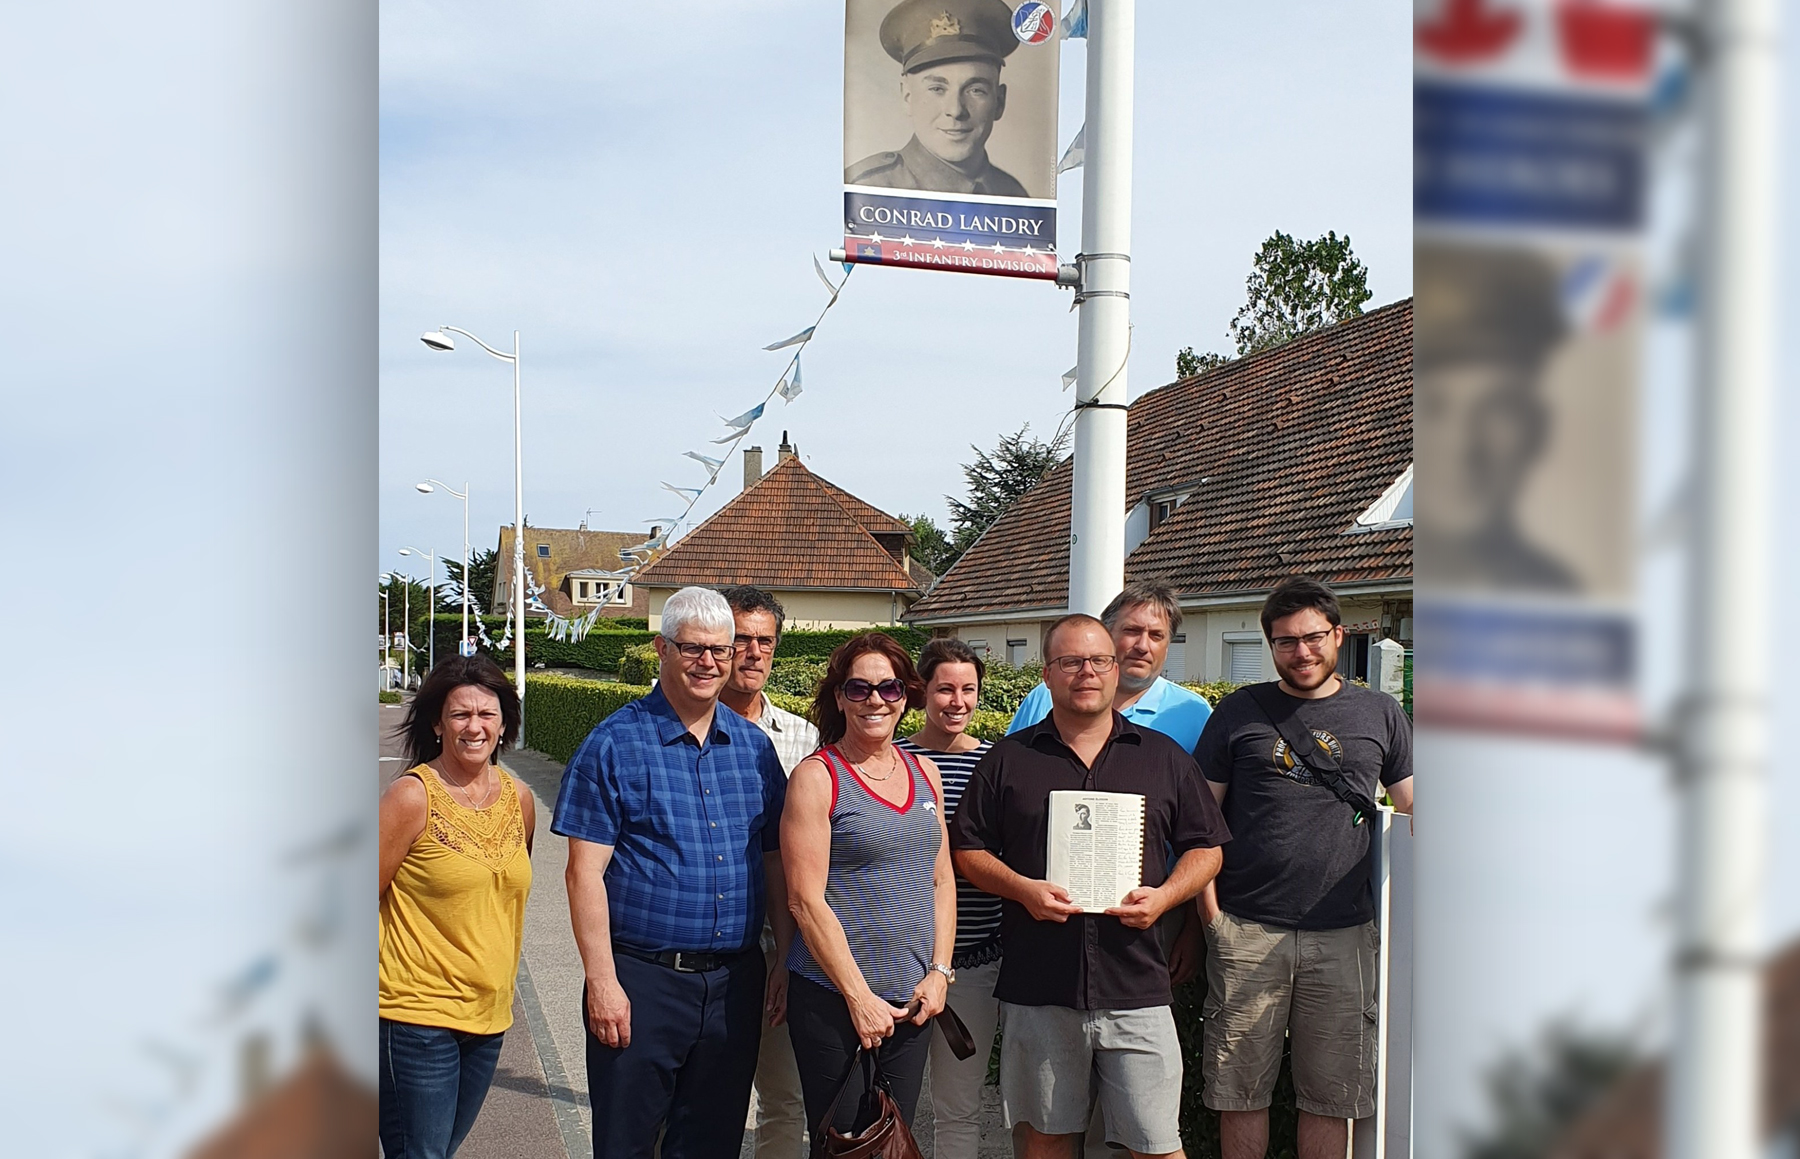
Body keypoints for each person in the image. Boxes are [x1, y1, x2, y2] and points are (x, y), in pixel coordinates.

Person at [951, 614, 1231, 1159]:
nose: (1087, 672)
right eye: (1070, 662)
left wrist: (1167, 896)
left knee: (1155, 1144)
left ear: (1113, 667)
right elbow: (968, 851)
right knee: (1046, 1142)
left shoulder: (1163, 758)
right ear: (1048, 674)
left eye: (1099, 660)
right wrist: (1023, 889)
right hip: (1041, 984)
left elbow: (1207, 849)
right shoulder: (1009, 759)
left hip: (1138, 986)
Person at [553, 586, 792, 1159]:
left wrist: (783, 955)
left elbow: (773, 860)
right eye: (692, 649)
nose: (708, 662)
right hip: (644, 981)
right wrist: (602, 982)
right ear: (661, 648)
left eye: (720, 649)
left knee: (712, 1143)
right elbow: (584, 875)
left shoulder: (755, 749)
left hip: (735, 982)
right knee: (627, 1143)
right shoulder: (613, 744)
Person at [1194, 576, 1413, 1159]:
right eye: (1285, 641)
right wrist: (1213, 917)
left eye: (1313, 637)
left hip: (1344, 933)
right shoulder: (1238, 712)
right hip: (1246, 927)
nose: (1302, 652)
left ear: (1338, 635)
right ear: (1270, 646)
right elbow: (1199, 823)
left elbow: (1414, 807)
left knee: (1332, 1094)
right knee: (1240, 1090)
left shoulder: (1380, 711)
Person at [782, 632, 957, 1136]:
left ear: (907, 695)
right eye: (858, 689)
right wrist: (858, 997)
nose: (875, 700)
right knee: (844, 1144)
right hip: (833, 999)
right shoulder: (818, 777)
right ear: (839, 698)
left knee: (894, 1139)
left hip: (910, 999)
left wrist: (939, 973)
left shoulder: (926, 771)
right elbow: (804, 900)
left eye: (890, 687)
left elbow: (941, 879)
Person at [379, 655, 534, 1159]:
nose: (475, 726)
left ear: (504, 723)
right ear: (437, 724)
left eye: (487, 714)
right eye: (460, 715)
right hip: (415, 1015)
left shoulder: (521, 800)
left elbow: (502, 898)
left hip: (488, 1016)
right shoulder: (411, 797)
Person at [717, 586, 820, 1159]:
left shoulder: (804, 739)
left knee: (784, 1098)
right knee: (700, 1095)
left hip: (783, 945)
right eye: (740, 639)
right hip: (713, 944)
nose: (752, 653)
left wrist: (790, 950)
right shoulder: (680, 732)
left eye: (765, 641)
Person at [895, 638, 1002, 1159]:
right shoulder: (894, 761)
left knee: (959, 1108)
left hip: (976, 964)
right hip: (902, 964)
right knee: (888, 1105)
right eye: (945, 689)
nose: (957, 701)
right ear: (922, 693)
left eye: (968, 689)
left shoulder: (996, 763)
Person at [846, 0, 1030, 197]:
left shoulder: (1013, 193)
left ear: (999, 102)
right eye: (936, 89)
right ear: (907, 97)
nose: (956, 110)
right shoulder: (867, 188)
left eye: (975, 90)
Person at [1008, 581, 1212, 752]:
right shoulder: (1045, 697)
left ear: (1167, 647)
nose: (1142, 646)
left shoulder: (1196, 714)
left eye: (1156, 636)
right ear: (1105, 636)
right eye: (1132, 631)